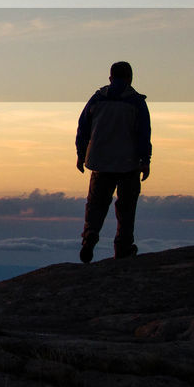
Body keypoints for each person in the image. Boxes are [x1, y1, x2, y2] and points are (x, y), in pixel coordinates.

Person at [75, 62, 151, 263]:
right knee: (126, 208)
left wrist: (81, 155)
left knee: (96, 204)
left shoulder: (97, 99)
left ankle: (90, 234)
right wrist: (145, 160)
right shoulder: (136, 102)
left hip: (100, 162)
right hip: (129, 163)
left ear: (110, 78)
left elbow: (83, 128)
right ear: (130, 78)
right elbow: (144, 133)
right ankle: (123, 248)